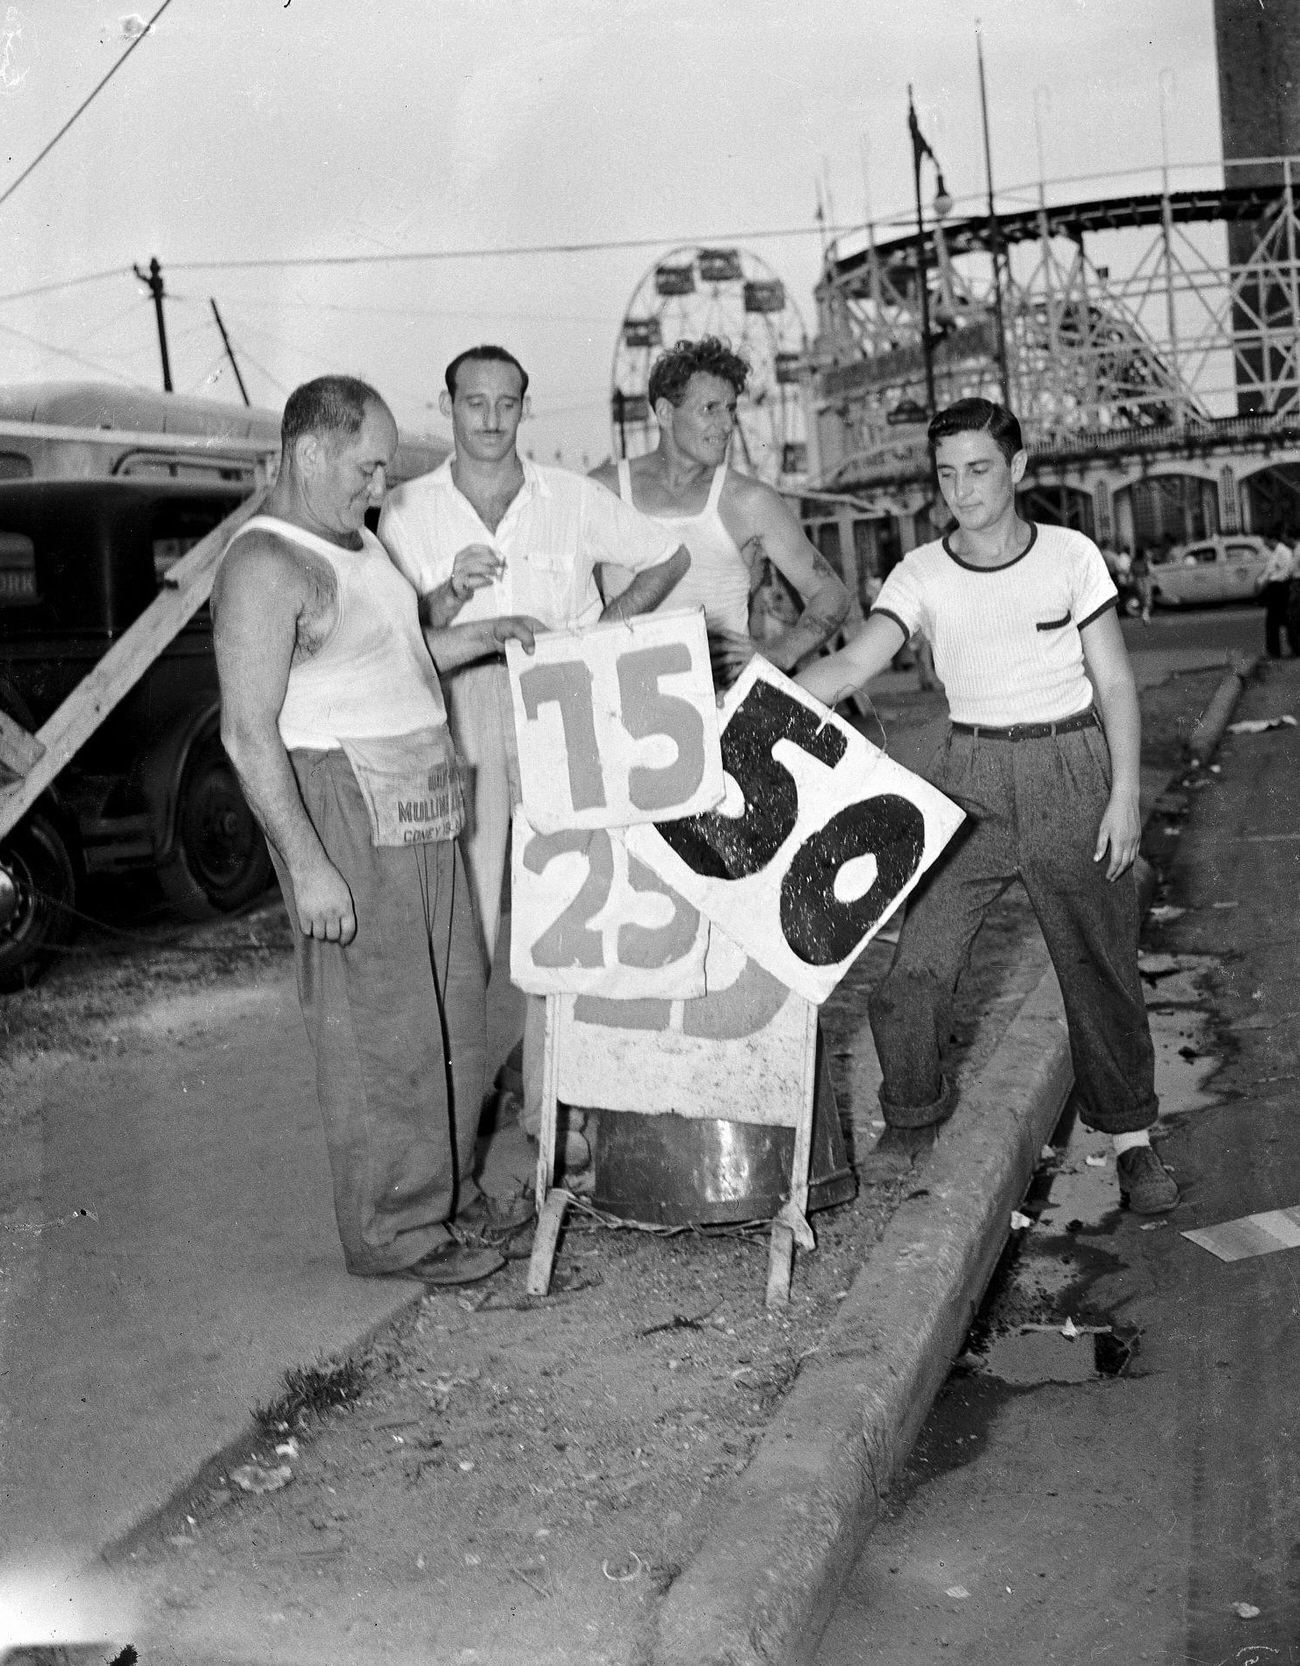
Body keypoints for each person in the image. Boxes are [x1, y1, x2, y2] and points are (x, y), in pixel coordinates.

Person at [797, 396, 1179, 1215]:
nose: (962, 490)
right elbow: (858, 661)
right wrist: (759, 706)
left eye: (978, 470)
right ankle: (912, 1116)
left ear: (1018, 467)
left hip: (1071, 769)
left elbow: (1113, 679)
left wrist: (1124, 794)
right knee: (917, 968)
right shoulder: (921, 572)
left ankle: (1133, 1142)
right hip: (966, 777)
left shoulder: (1072, 555)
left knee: (1098, 968)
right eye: (946, 474)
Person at [213, 375, 542, 1287]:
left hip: (421, 795)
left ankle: (447, 1196)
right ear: (308, 451)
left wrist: (493, 630)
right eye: (366, 468)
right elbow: (247, 733)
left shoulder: (360, 546)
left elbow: (400, 659)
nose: (377, 488)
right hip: (345, 805)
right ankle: (394, 1232)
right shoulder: (264, 564)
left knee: (450, 1008)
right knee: (383, 1029)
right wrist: (310, 866)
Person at [378, 344, 690, 971]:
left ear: (525, 409)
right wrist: (448, 593)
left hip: (563, 700)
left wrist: (602, 634)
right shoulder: (406, 508)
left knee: (572, 885)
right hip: (460, 706)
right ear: (447, 407)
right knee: (467, 894)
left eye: (506, 404)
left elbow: (667, 555)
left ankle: (547, 1062)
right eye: (474, 404)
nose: (491, 420)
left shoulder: (571, 497)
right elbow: (401, 638)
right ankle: (463, 1060)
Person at [588, 336, 848, 685]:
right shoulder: (605, 490)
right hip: (627, 701)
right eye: (710, 408)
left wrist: (780, 652)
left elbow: (831, 593)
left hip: (722, 703)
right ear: (665, 412)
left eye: (731, 409)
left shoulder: (751, 501)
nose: (726, 425)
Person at [1257, 530, 1295, 658]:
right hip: (1277, 588)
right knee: (1279, 620)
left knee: (1274, 621)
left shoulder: (1282, 552)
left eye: (1265, 541)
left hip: (1279, 588)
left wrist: (1263, 582)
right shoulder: (1278, 552)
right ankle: (1277, 649)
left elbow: (1276, 571)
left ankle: (1275, 651)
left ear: (1271, 539)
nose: (1265, 544)